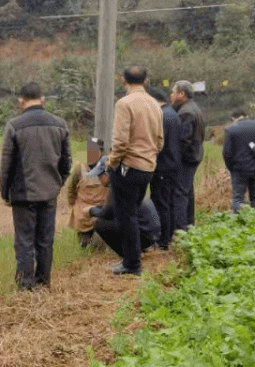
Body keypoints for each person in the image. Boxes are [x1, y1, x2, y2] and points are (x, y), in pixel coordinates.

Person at [0, 81, 72, 290]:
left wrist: (5, 192)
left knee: (24, 240)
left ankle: (26, 285)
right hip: (49, 192)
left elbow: (6, 164)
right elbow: (67, 161)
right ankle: (43, 281)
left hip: (23, 193)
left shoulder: (14, 126)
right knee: (45, 239)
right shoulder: (60, 124)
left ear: (21, 101)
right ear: (43, 99)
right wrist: (59, 182)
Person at [106, 66, 163, 276]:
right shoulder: (155, 104)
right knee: (135, 211)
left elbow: (120, 141)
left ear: (124, 81)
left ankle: (132, 263)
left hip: (128, 167)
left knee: (126, 216)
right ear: (146, 81)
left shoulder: (124, 103)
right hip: (148, 166)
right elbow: (159, 140)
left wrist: (112, 162)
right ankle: (135, 257)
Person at [170, 80, 206, 232]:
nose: (171, 95)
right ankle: (189, 225)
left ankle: (180, 229)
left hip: (187, 158)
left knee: (180, 193)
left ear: (181, 94)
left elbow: (184, 139)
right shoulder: (194, 108)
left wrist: (175, 158)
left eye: (173, 92)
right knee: (188, 191)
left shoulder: (186, 112)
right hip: (195, 155)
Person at [148, 87, 181, 250]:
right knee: (169, 202)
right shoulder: (172, 114)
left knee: (161, 203)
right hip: (173, 164)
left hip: (163, 166)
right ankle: (169, 236)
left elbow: (158, 143)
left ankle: (163, 241)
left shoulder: (162, 116)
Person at [222, 107, 255, 213]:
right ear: (244, 115)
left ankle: (238, 223)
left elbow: (227, 153)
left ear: (233, 119)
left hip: (239, 170)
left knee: (237, 199)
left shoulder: (231, 130)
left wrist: (231, 168)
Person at [89, 190, 161, 259]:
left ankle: (130, 256)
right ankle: (141, 249)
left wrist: (91, 211)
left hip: (143, 238)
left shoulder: (120, 191)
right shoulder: (135, 188)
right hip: (153, 236)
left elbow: (108, 214)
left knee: (99, 223)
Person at [65, 139, 109, 248]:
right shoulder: (80, 168)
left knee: (98, 247)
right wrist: (74, 206)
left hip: (101, 211)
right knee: (84, 245)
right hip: (83, 213)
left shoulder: (108, 166)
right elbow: (71, 189)